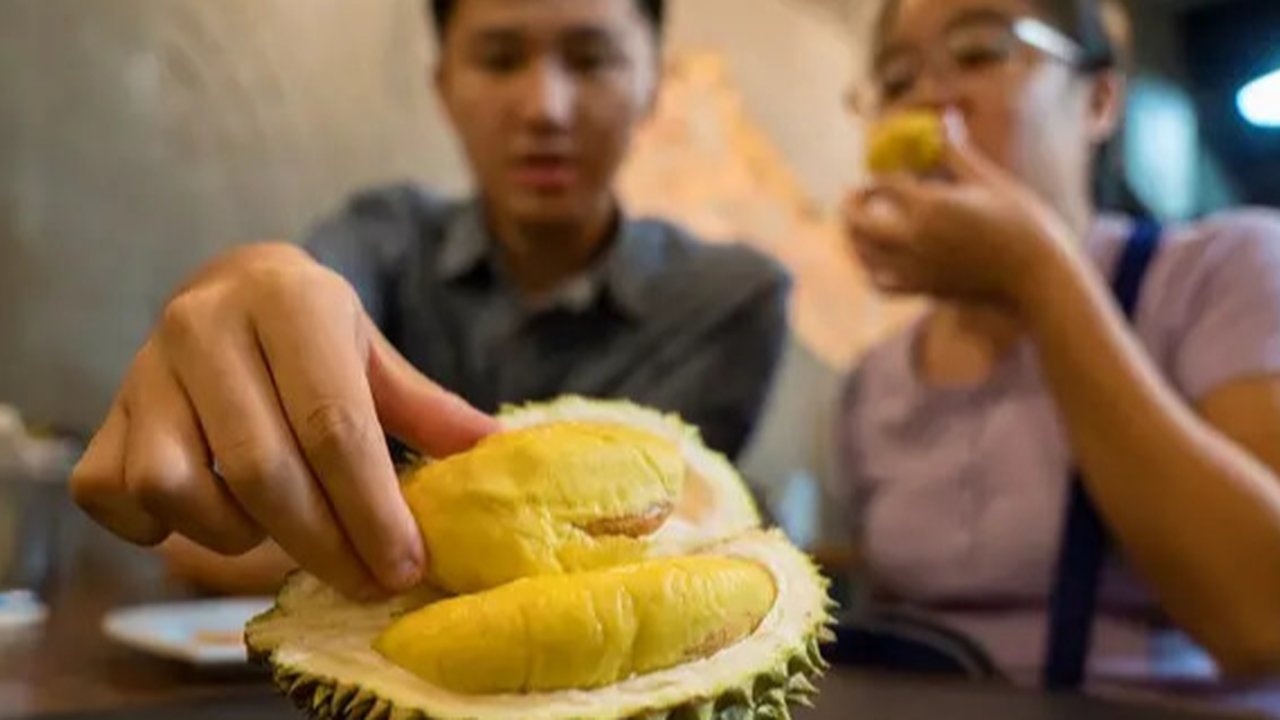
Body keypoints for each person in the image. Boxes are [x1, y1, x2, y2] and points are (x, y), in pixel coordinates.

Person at [70, 0, 789, 601]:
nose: (545, 108)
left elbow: (679, 538)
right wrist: (239, 290)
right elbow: (290, 294)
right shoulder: (383, 241)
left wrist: (354, 533)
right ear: (444, 84)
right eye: (501, 60)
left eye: (592, 59)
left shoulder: (729, 302)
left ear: (653, 84)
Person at [837, 0, 1280, 708]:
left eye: (979, 53)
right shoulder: (873, 380)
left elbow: (1264, 620)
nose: (926, 97)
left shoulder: (1227, 269)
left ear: (1099, 99)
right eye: (894, 80)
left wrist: (1039, 275)